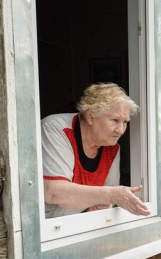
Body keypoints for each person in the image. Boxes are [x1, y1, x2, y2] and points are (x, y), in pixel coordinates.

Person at [42, 83, 150, 218]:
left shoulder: (112, 148)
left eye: (125, 122)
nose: (121, 130)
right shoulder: (55, 129)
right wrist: (111, 195)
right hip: (47, 230)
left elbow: (104, 200)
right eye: (115, 120)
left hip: (78, 226)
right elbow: (54, 192)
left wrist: (101, 204)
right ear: (90, 116)